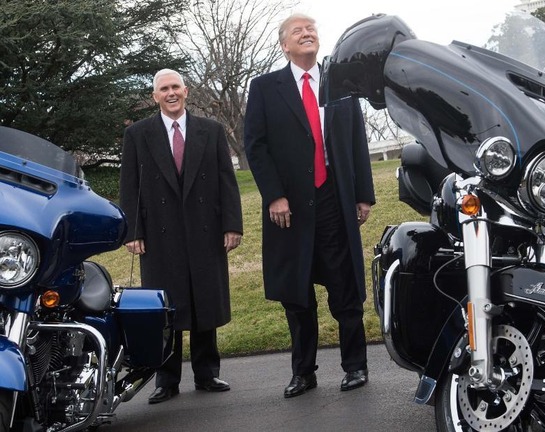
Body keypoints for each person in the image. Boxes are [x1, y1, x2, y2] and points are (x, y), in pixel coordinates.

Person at [244, 13, 375, 398]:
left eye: (312, 29)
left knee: (344, 287)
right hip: (290, 206)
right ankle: (304, 372)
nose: (307, 34)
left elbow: (357, 140)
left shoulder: (339, 85)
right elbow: (256, 145)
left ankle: (355, 366)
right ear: (284, 45)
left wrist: (363, 194)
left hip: (334, 197)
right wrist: (274, 195)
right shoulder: (266, 87)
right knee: (296, 294)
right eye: (298, 31)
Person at [119, 68, 244, 404]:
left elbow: (226, 183)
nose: (171, 93)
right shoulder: (138, 135)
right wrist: (132, 231)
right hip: (159, 232)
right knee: (164, 307)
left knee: (204, 300)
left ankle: (207, 374)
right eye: (164, 89)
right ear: (154, 96)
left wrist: (232, 225)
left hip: (205, 228)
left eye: (175, 87)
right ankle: (166, 379)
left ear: (186, 91)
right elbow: (129, 186)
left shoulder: (211, 131)